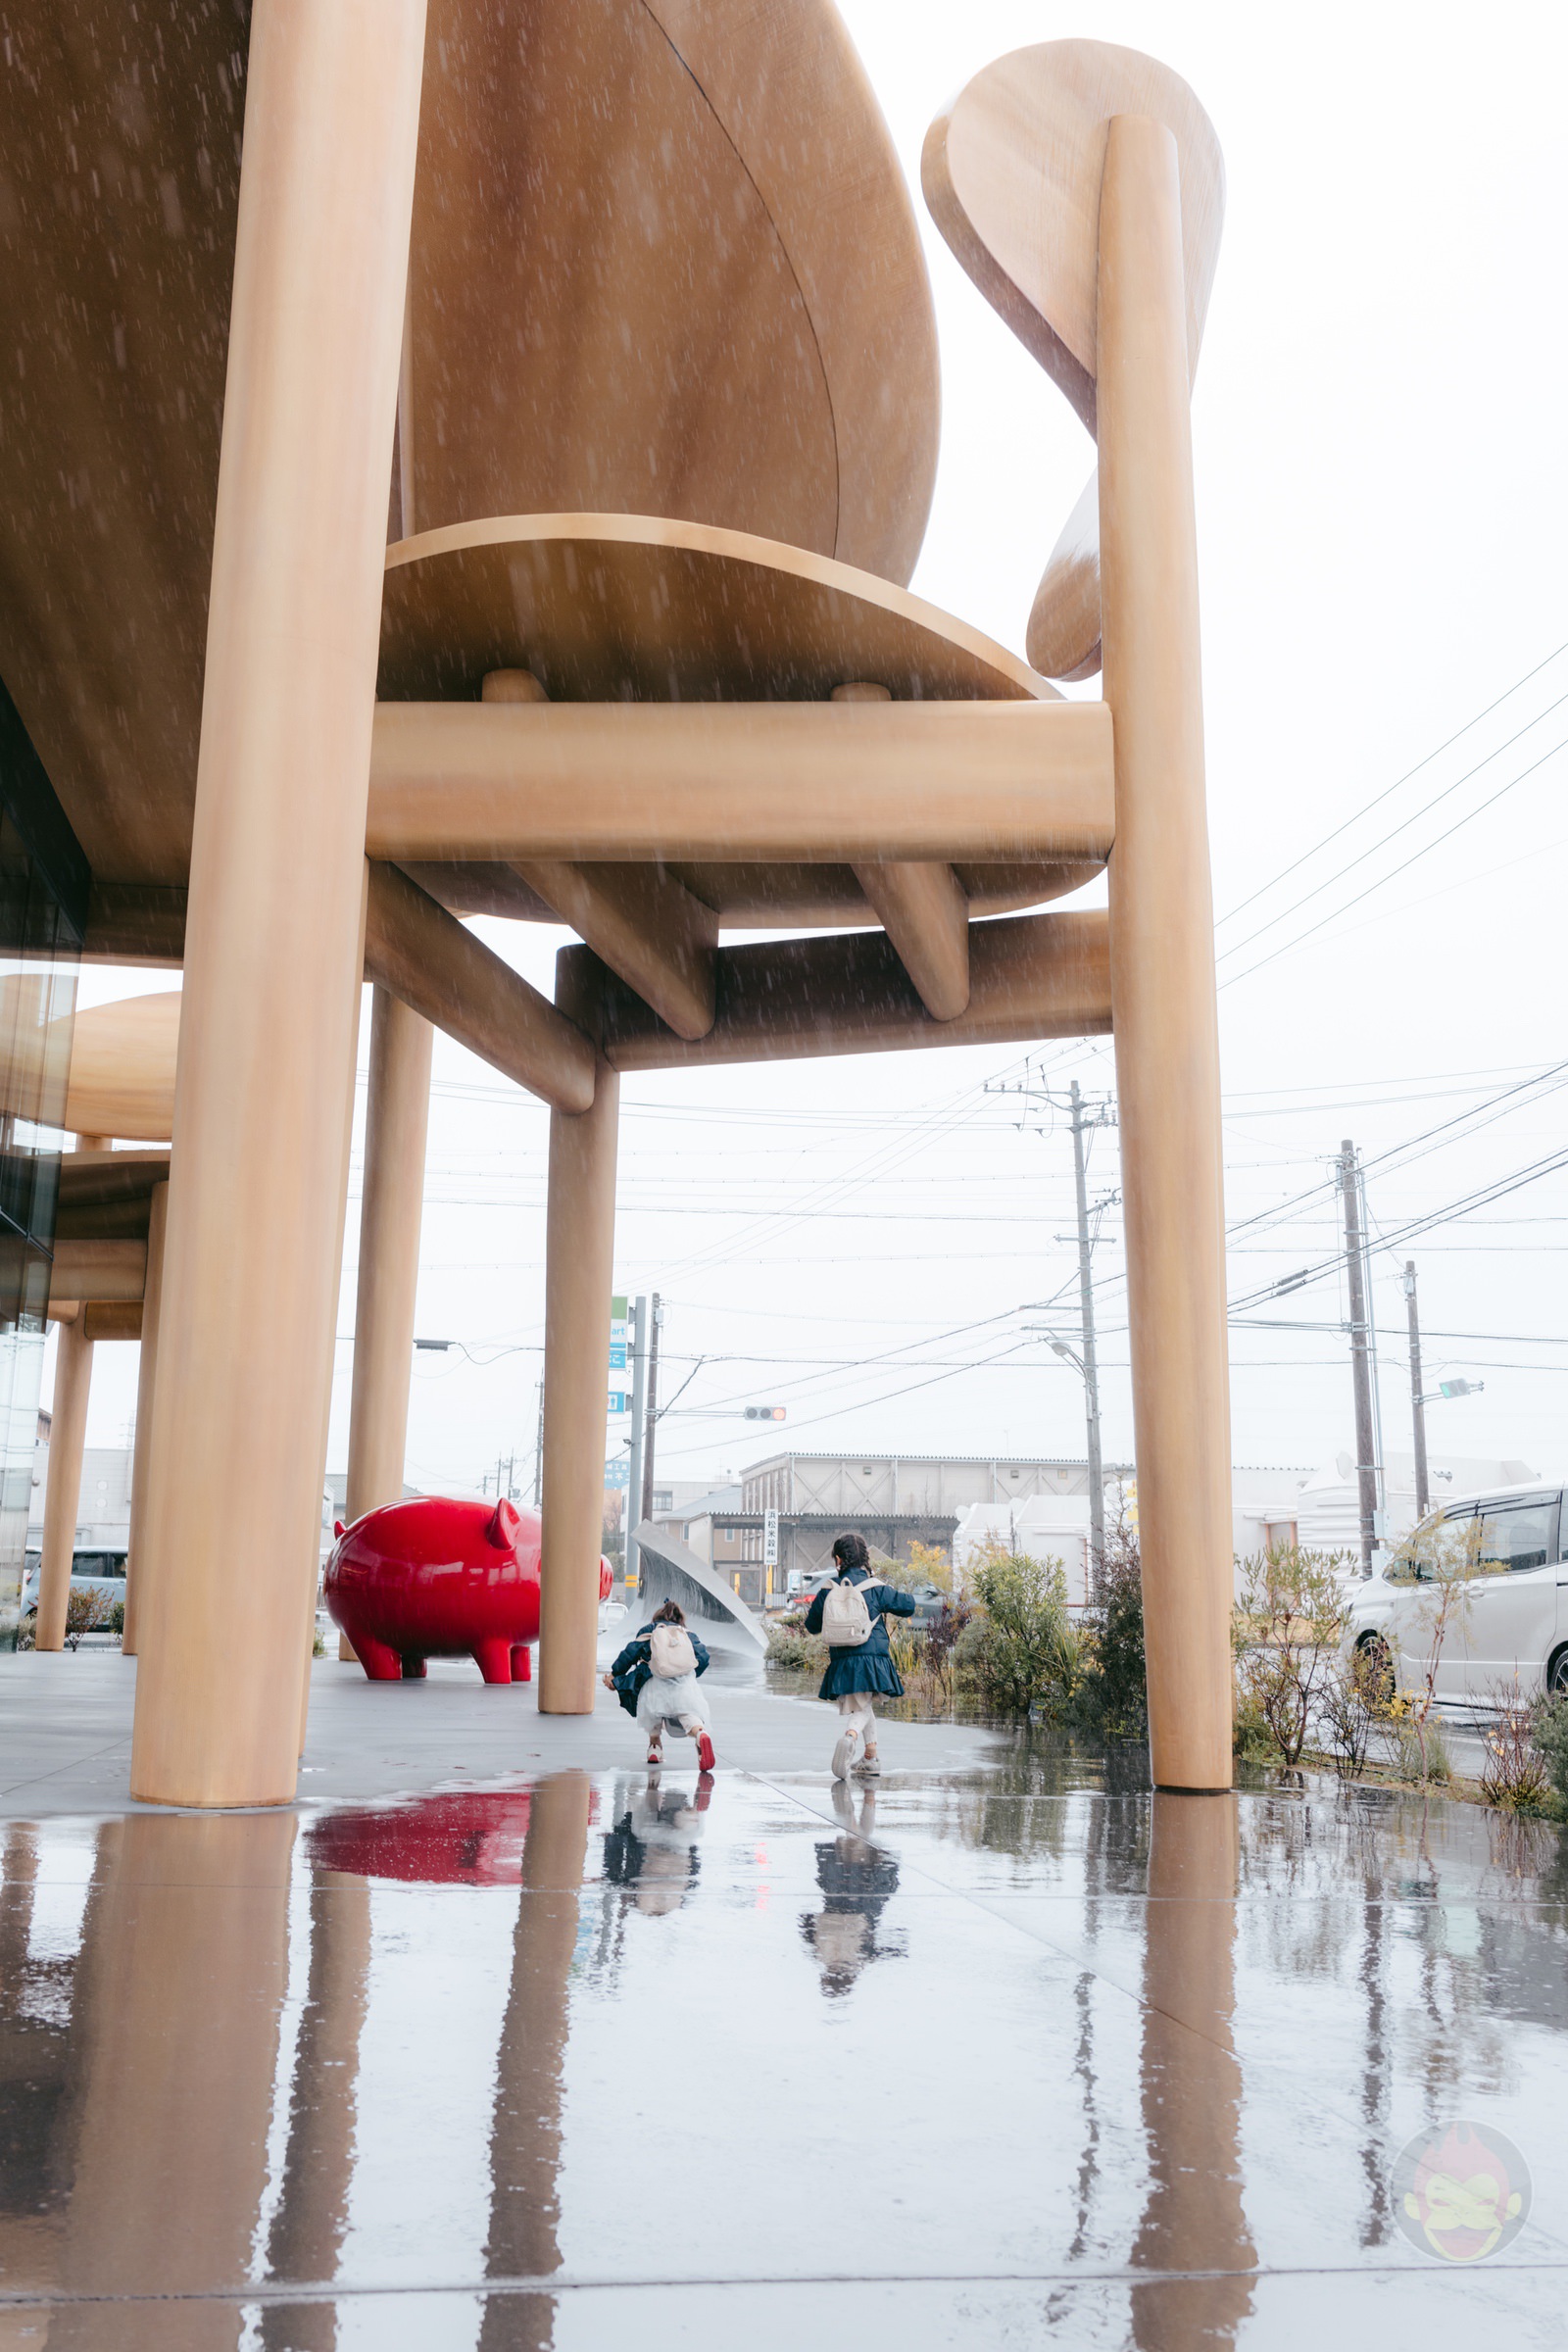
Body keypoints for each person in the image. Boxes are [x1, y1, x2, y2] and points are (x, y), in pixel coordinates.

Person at [803, 1532, 916, 1780]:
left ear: (838, 1560)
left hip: (843, 1660)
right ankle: (849, 1737)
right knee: (863, 1708)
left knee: (864, 1704)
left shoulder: (828, 1589)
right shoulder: (874, 1588)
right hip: (873, 1658)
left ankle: (870, 1758)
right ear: (865, 1558)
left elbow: (811, 1626)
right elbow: (908, 1606)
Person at [603, 1597, 715, 1771]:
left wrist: (615, 1674)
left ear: (657, 1617)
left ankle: (654, 1748)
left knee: (653, 1714)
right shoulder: (687, 1634)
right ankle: (700, 1733)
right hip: (684, 1684)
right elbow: (704, 1658)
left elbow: (630, 1653)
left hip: (655, 1681)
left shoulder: (650, 1630)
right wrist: (687, 1673)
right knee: (688, 1714)